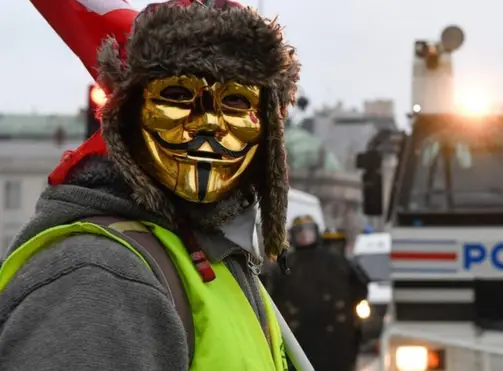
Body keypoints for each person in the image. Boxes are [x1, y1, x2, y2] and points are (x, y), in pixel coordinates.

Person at [0, 1, 302, 370]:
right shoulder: (100, 277)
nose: (208, 123)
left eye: (236, 102)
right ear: (127, 114)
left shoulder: (221, 259)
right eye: (177, 95)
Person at [269, 216, 368, 371]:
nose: (305, 236)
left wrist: (351, 317)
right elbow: (272, 297)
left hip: (336, 337)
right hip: (300, 336)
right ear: (292, 235)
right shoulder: (286, 266)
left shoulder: (335, 261)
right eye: (300, 232)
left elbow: (359, 287)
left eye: (308, 231)